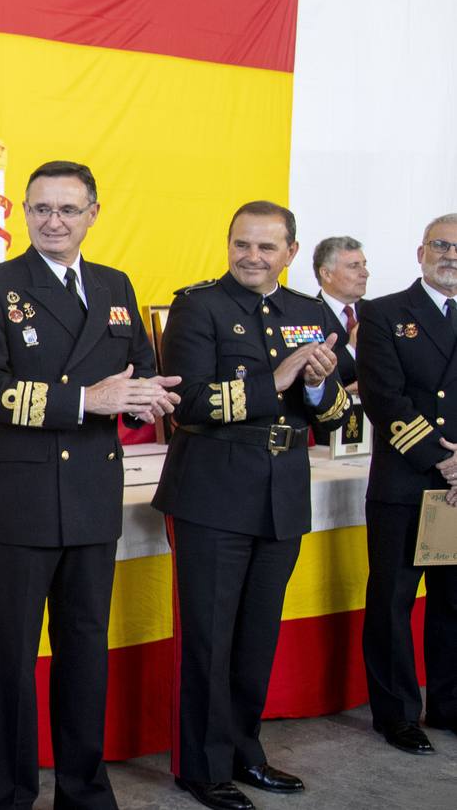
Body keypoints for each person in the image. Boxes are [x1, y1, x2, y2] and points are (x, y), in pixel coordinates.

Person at [0, 160, 181, 810]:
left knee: (85, 653)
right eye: (40, 209)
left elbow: (137, 363)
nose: (53, 221)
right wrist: (86, 399)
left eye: (67, 209)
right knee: (7, 658)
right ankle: (3, 796)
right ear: (23, 214)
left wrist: (145, 399)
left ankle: (84, 791)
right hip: (19, 497)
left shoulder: (113, 284)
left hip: (90, 495)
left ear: (91, 214)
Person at [153, 201, 349, 810]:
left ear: (291, 252)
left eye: (267, 247)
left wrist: (316, 383)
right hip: (213, 491)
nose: (252, 257)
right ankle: (201, 767)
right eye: (242, 244)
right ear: (228, 243)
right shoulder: (198, 306)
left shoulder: (309, 312)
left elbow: (333, 410)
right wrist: (281, 379)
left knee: (257, 636)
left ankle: (246, 751)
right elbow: (189, 405)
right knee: (209, 639)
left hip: (282, 492)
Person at [356, 213, 457, 755]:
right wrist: (442, 460)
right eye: (441, 245)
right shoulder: (383, 313)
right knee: (393, 601)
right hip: (406, 479)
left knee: (454, 600)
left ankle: (450, 702)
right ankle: (395, 714)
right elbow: (383, 396)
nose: (452, 256)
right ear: (421, 252)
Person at [312, 235, 368, 387]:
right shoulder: (306, 315)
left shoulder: (376, 312)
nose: (365, 273)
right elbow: (306, 376)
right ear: (326, 274)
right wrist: (352, 349)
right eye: (354, 266)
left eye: (364, 265)